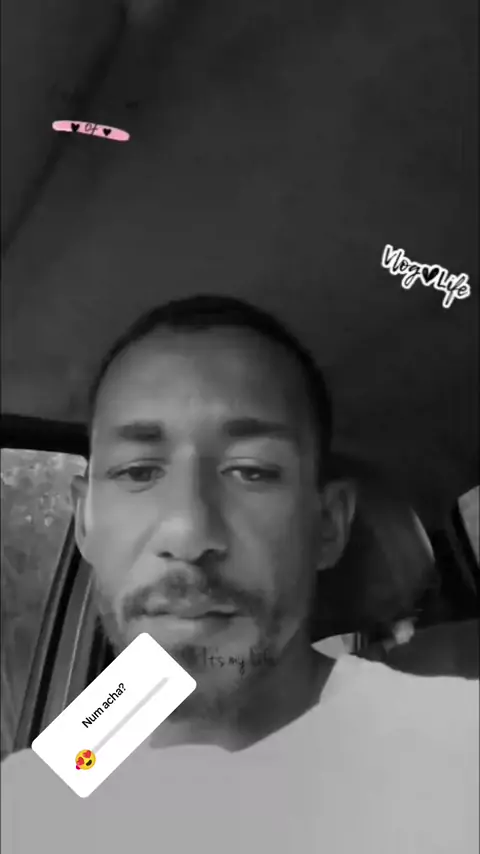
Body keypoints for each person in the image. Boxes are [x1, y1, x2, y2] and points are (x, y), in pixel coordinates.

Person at [1, 295, 478, 854]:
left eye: (251, 472)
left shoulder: (453, 754)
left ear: (327, 525)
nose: (188, 533)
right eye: (138, 471)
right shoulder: (56, 772)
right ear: (84, 522)